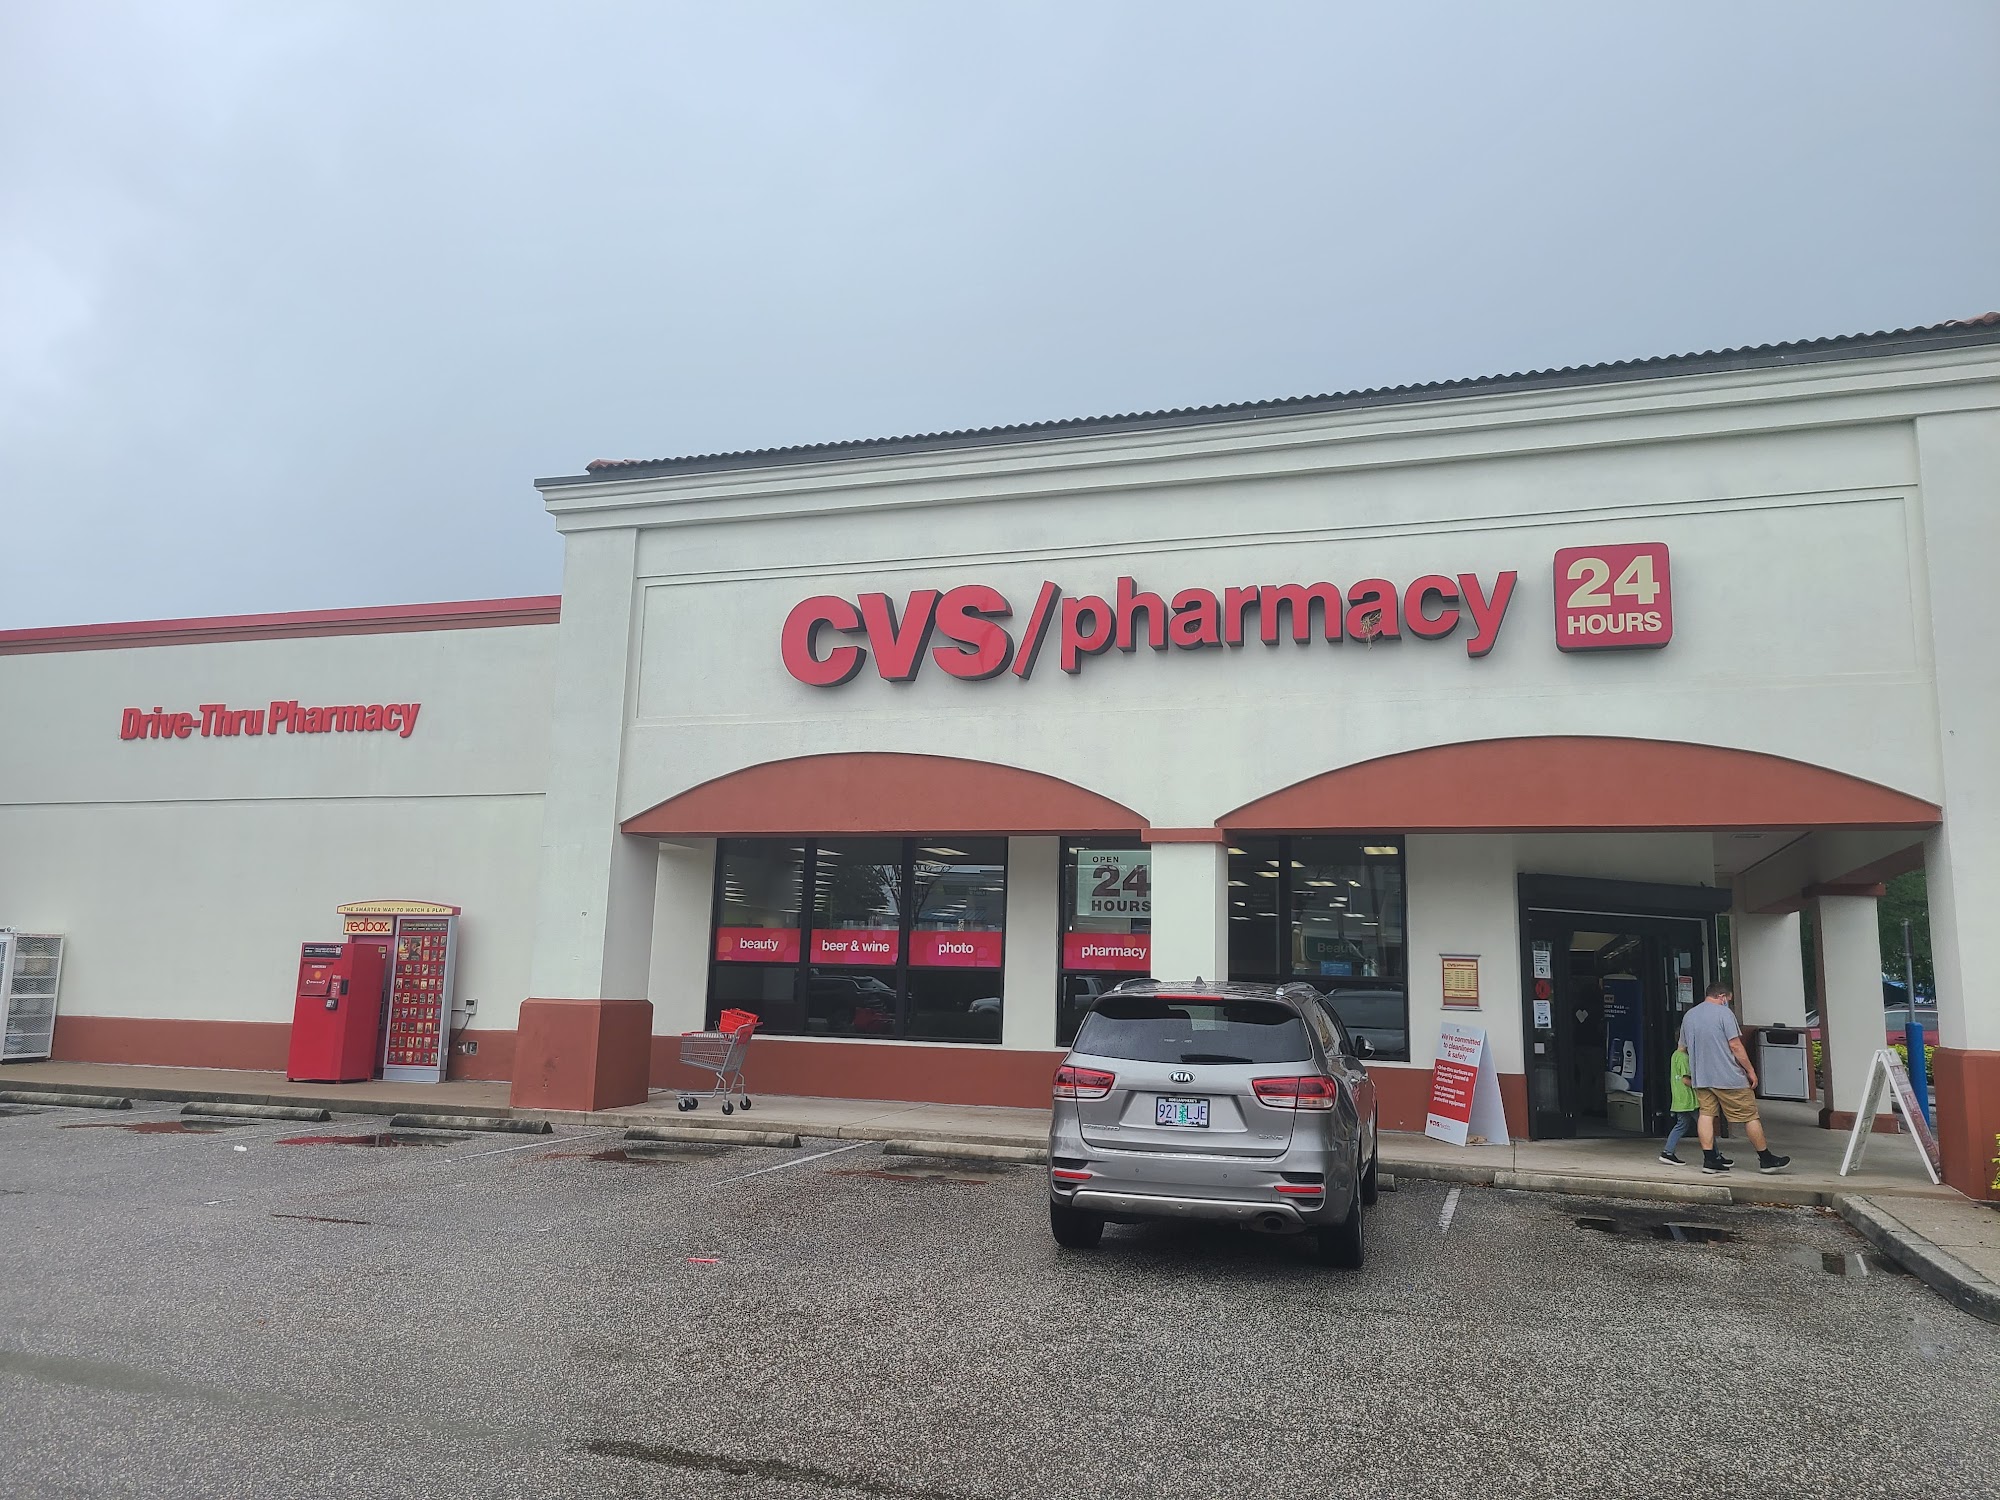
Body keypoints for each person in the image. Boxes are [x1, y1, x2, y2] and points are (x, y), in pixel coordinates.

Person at [1681, 982, 1790, 1175]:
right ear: (1722, 996)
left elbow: (1682, 1047)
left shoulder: (1690, 1015)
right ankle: (1766, 1159)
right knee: (1750, 1115)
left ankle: (1710, 1159)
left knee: (1706, 1115)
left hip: (1701, 1076)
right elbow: (1735, 1046)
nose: (1728, 1003)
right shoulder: (1724, 1014)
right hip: (1728, 1077)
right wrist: (1750, 1070)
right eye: (1728, 1000)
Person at [1658, 1037, 1698, 1165]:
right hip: (1689, 1099)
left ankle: (1668, 1151)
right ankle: (1714, 1154)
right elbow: (1686, 1080)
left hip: (1679, 1099)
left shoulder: (1675, 1055)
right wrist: (1700, 1085)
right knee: (1705, 1125)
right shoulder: (1683, 1057)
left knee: (1681, 1125)